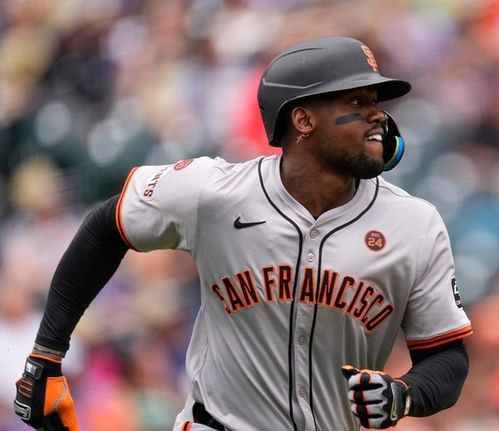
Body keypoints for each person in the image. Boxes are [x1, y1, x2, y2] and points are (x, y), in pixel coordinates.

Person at [13, 36, 473, 430]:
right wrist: (46, 356)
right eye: (357, 102)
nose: (378, 116)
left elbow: (448, 357)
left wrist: (404, 394)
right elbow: (106, 227)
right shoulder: (215, 192)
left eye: (377, 102)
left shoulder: (414, 223)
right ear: (304, 119)